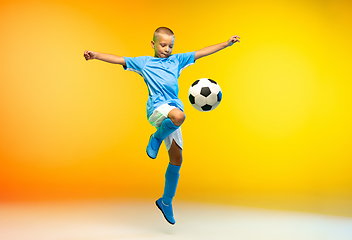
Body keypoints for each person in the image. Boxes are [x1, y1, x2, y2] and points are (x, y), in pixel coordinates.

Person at [83, 27, 240, 225]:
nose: (167, 49)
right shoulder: (144, 63)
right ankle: (156, 137)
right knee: (180, 116)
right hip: (158, 110)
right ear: (153, 44)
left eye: (171, 46)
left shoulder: (177, 61)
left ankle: (166, 202)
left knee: (177, 159)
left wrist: (226, 43)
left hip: (172, 112)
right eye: (163, 45)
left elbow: (201, 52)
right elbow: (119, 59)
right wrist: (95, 55)